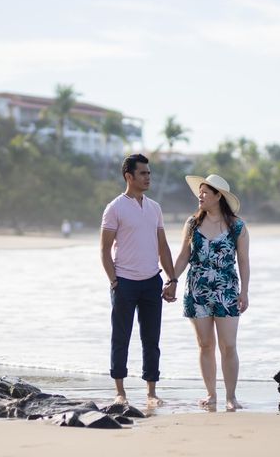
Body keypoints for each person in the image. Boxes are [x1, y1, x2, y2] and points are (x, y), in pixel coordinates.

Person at [165, 174, 250, 411]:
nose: (199, 196)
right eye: (199, 191)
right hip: (196, 289)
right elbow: (183, 256)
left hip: (227, 290)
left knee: (229, 345)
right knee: (204, 345)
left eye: (204, 192)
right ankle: (211, 394)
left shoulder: (237, 226)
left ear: (218, 196)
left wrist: (245, 291)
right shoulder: (192, 223)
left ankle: (231, 397)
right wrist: (171, 279)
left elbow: (243, 261)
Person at [100, 154, 177, 407]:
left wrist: (171, 278)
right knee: (120, 337)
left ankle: (151, 391)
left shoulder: (154, 207)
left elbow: (162, 246)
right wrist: (114, 281)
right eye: (143, 173)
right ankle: (120, 391)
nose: (148, 177)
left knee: (151, 339)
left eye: (149, 173)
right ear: (129, 176)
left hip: (151, 281)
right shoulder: (115, 208)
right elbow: (104, 250)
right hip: (125, 282)